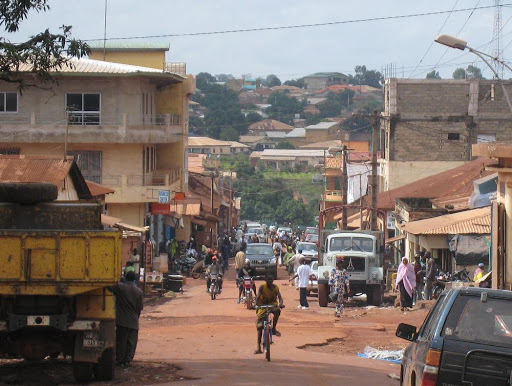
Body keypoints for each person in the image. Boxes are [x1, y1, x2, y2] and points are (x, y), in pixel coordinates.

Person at [109, 271, 143, 367]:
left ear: (126, 277)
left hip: (122, 320)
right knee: (131, 342)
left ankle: (119, 360)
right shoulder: (139, 292)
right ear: (134, 279)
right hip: (133, 320)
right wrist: (136, 318)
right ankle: (128, 360)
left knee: (121, 341)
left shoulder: (120, 287)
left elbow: (108, 287)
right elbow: (139, 308)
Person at [254, 275, 284, 355]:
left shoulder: (275, 287)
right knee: (259, 326)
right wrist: (255, 305)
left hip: (272, 304)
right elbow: (257, 297)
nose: (269, 281)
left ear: (273, 280)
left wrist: (281, 304)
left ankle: (274, 328)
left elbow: (280, 297)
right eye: (268, 279)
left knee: (277, 311)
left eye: (271, 279)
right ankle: (258, 347)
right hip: (262, 305)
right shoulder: (262, 287)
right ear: (265, 280)